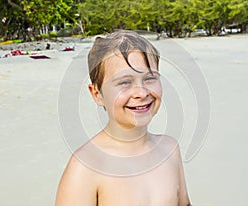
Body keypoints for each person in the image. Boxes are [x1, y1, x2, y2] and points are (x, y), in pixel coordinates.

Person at [55, 30, 192, 206]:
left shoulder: (170, 149)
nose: (141, 93)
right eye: (125, 82)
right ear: (97, 94)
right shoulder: (86, 167)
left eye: (150, 78)